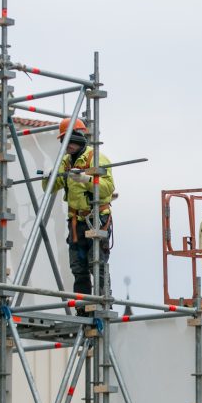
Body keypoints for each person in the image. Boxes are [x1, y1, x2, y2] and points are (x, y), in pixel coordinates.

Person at [43, 119, 115, 304]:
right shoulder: (66, 162)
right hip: (75, 223)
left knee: (96, 264)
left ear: (79, 138)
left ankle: (101, 302)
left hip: (96, 219)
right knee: (78, 267)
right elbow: (51, 188)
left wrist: (86, 179)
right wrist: (48, 177)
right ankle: (83, 307)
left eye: (69, 140)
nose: (67, 145)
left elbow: (108, 188)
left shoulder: (96, 158)